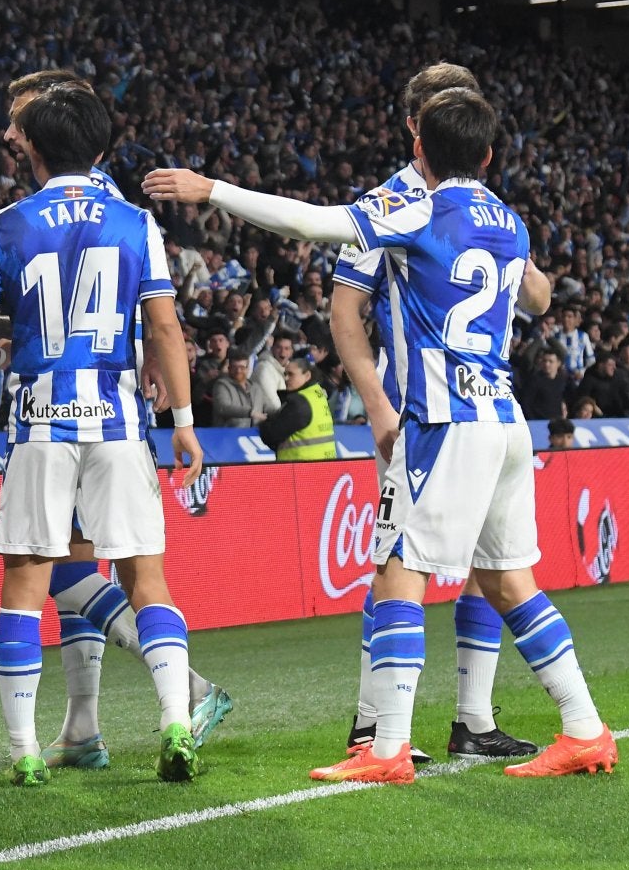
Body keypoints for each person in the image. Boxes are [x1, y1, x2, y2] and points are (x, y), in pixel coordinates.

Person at [148, 87, 616, 782]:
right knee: (509, 580)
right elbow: (538, 296)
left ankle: (389, 746)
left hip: (448, 420)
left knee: (399, 572)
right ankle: (584, 728)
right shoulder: (510, 222)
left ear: (419, 147)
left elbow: (310, 224)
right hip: (507, 420)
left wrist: (212, 188)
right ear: (488, 154)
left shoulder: (416, 206)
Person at [205, 62, 539, 762]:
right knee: (399, 558)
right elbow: (345, 311)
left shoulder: (468, 196)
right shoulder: (391, 200)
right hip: (422, 408)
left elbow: (536, 296)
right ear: (418, 124)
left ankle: (472, 720)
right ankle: (373, 727)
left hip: (473, 401)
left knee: (483, 563)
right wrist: (379, 404)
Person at [0, 82, 205, 787]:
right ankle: (175, 722)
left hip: (40, 421)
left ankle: (25, 747)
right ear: (100, 149)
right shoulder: (133, 221)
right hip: (118, 421)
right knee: (145, 580)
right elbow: (163, 327)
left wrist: (16, 347)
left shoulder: (6, 223)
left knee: (24, 587)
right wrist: (184, 423)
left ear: (32, 148)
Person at [258, 357, 337, 460]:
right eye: (285, 374)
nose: (286, 379)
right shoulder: (317, 394)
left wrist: (263, 422)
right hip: (324, 463)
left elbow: (271, 435)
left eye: (291, 374)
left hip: (300, 467)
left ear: (307, 375)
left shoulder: (299, 402)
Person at [210, 351, 259, 428]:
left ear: (248, 369)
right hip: (227, 435)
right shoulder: (221, 385)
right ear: (229, 368)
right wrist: (249, 412)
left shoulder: (255, 387)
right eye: (234, 367)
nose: (238, 371)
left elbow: (267, 407)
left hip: (254, 434)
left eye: (242, 367)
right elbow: (222, 407)